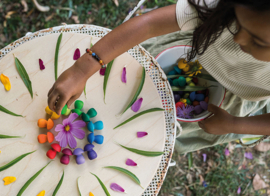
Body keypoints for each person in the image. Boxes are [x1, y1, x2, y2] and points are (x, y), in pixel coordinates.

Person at [48, 0, 270, 154]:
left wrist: (233, 124)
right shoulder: (231, 6)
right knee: (119, 92)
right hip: (188, 52)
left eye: (258, 41)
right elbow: (150, 24)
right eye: (238, 23)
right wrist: (82, 69)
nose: (238, 38)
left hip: (233, 97)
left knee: (151, 131)